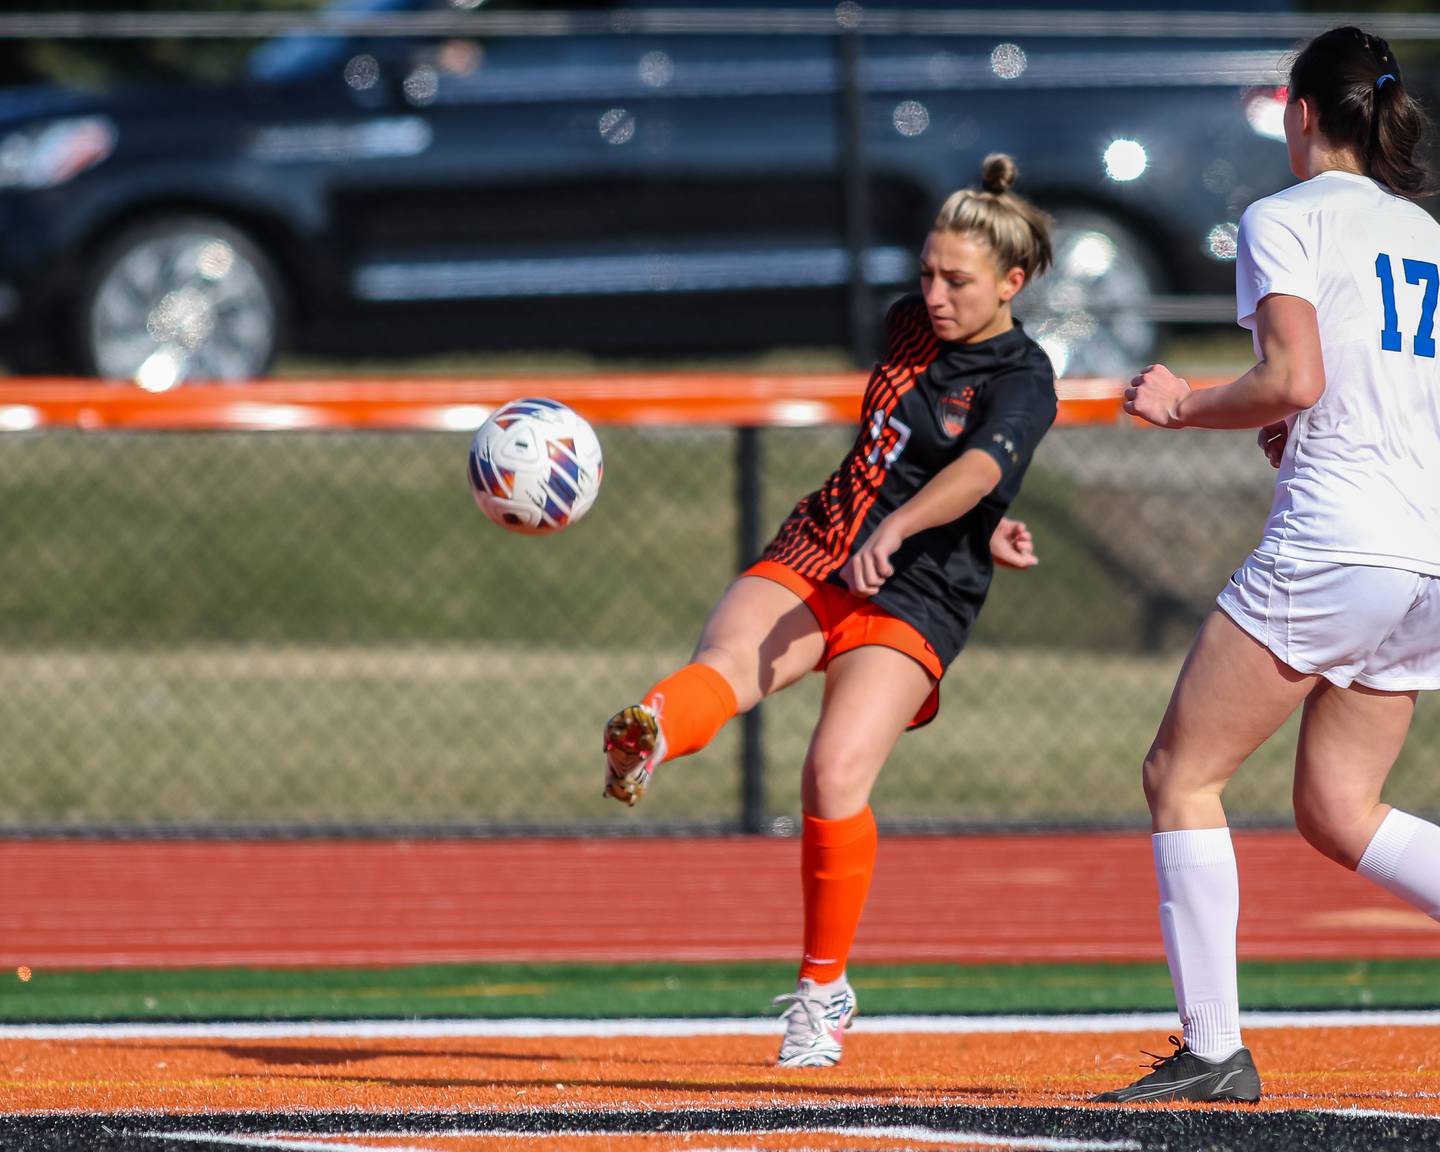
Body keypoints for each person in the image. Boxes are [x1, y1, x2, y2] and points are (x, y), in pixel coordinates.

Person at [602, 154, 1058, 1068]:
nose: (933, 293)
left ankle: (822, 991)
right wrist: (967, 524)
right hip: (823, 544)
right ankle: (651, 727)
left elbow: (977, 470)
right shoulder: (905, 327)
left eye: (956, 281)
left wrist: (955, 525)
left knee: (832, 773)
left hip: (919, 589)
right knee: (724, 668)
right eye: (926, 273)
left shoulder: (1023, 374)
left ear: (1012, 283)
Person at [1093, 27, 1440, 1105]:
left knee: (1180, 776)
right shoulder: (1423, 229)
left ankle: (1211, 1051)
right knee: (1340, 809)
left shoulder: (1280, 217)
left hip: (1340, 542)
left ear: (1299, 112)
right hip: (1428, 552)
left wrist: (1183, 405)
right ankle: (1210, 1050)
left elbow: (1291, 374)